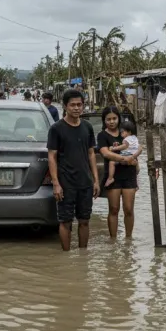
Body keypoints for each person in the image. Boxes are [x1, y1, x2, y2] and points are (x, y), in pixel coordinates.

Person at [47, 89, 100, 251]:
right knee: (65, 221)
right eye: (73, 105)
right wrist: (56, 183)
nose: (76, 108)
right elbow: (52, 157)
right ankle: (66, 255)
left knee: (84, 220)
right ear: (65, 106)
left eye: (79, 105)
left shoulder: (87, 127)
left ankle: (83, 256)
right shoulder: (56, 129)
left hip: (85, 182)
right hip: (66, 183)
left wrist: (96, 180)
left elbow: (91, 154)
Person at [96, 106, 142, 238]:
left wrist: (133, 158)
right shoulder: (102, 136)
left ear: (119, 118)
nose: (111, 121)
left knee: (128, 209)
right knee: (114, 209)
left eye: (114, 118)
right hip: (113, 176)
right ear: (104, 121)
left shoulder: (127, 134)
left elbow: (137, 148)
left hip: (129, 175)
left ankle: (129, 239)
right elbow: (105, 153)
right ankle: (113, 240)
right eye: (108, 119)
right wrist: (125, 159)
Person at [104, 121, 139, 187]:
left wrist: (114, 148)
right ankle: (136, 185)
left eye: (123, 131)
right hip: (132, 158)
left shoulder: (126, 139)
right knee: (134, 172)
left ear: (129, 132)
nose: (121, 132)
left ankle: (110, 178)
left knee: (111, 162)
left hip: (125, 157)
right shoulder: (134, 138)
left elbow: (124, 146)